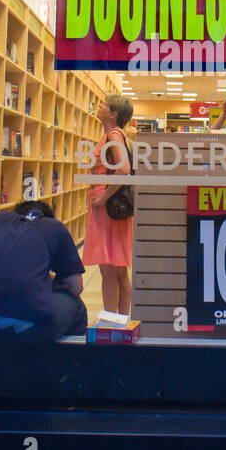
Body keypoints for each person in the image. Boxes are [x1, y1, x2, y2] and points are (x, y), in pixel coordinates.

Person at [0, 200, 87, 344]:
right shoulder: (55, 226)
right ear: (48, 217)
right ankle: (67, 362)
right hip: (26, 330)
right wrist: (53, 284)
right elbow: (76, 286)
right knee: (76, 304)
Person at [85, 93, 134, 317]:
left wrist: (103, 197)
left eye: (104, 104)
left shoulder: (113, 136)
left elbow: (123, 170)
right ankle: (121, 320)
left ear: (113, 114)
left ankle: (112, 322)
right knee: (119, 269)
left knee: (108, 269)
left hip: (107, 210)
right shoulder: (119, 135)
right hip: (115, 210)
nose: (99, 106)